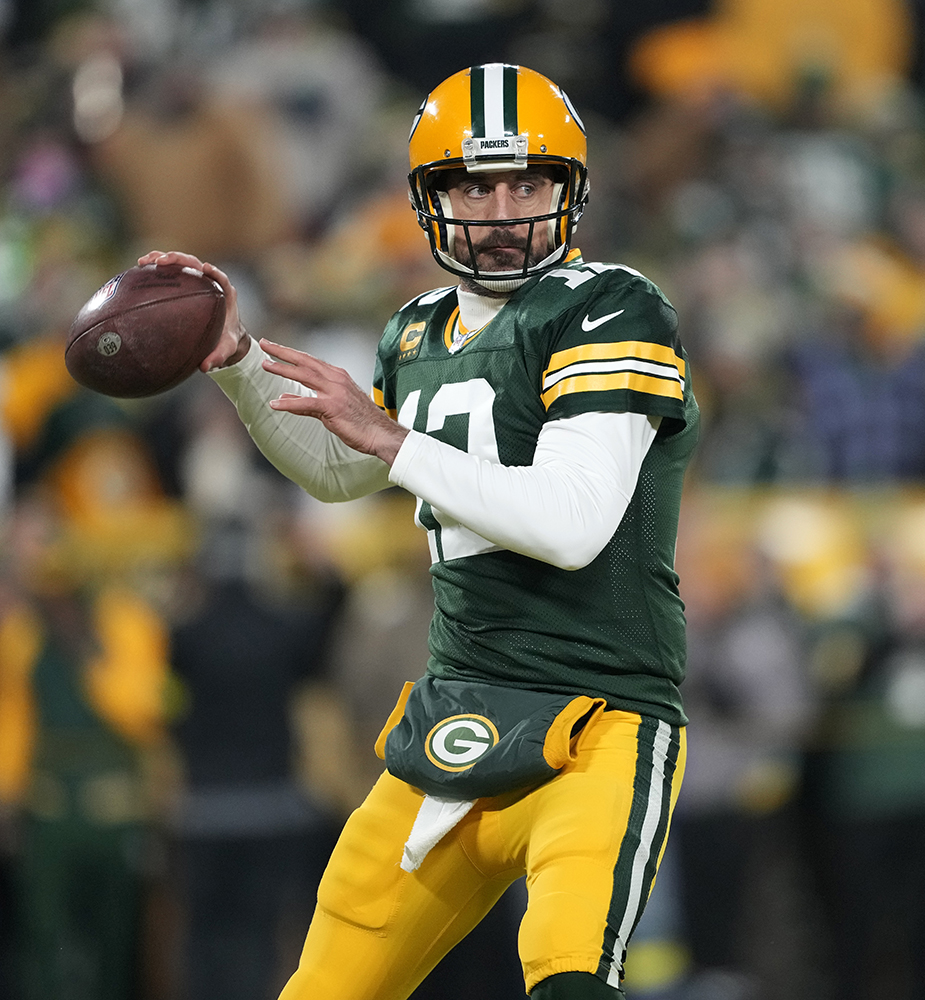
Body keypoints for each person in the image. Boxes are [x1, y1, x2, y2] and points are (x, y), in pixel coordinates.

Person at [138, 62, 699, 1000]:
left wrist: (392, 437)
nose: (504, 209)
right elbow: (337, 472)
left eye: (528, 182)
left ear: (570, 190)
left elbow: (570, 526)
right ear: (431, 200)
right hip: (456, 717)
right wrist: (235, 363)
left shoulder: (610, 306)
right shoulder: (415, 331)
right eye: (477, 185)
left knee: (569, 978)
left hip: (596, 718)